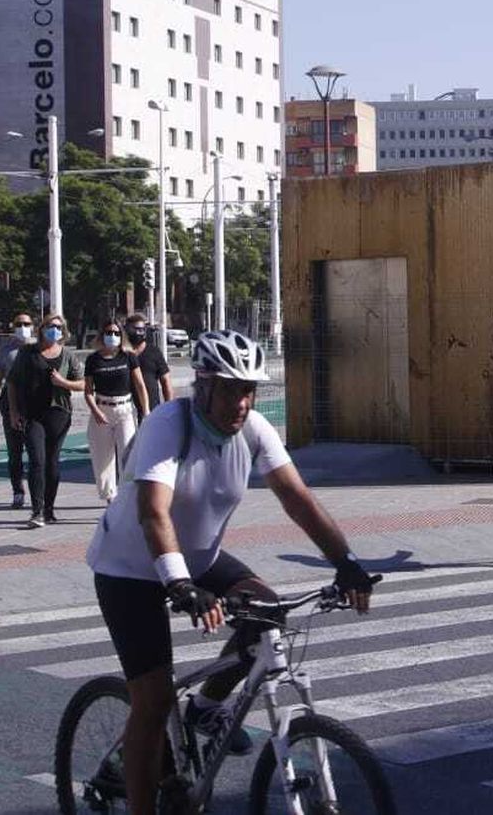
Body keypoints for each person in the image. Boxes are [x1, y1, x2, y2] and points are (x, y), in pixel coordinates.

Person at [85, 329, 376, 815]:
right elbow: (153, 512)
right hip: (129, 568)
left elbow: (298, 500)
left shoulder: (255, 430)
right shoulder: (167, 424)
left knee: (268, 613)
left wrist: (346, 562)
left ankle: (205, 707)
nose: (242, 401)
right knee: (153, 702)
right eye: (231, 388)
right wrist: (179, 584)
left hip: (198, 558)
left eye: (249, 390)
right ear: (203, 386)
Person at [7, 312, 83, 529]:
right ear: (41, 329)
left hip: (58, 413)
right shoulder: (28, 352)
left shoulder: (67, 355)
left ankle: (49, 509)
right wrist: (13, 411)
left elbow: (83, 384)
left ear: (63, 332)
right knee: (37, 460)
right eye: (50, 326)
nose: (55, 330)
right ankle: (37, 510)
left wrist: (63, 382)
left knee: (52, 461)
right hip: (32, 414)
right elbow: (12, 382)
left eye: (59, 327)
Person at [84, 318, 150, 503]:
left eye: (116, 333)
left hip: (125, 411)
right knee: (102, 459)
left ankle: (128, 497)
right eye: (108, 333)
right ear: (101, 335)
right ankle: (110, 499)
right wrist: (96, 411)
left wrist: (145, 412)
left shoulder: (128, 356)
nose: (112, 336)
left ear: (121, 336)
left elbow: (140, 385)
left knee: (128, 457)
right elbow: (88, 390)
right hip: (102, 409)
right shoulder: (93, 359)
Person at [0, 312, 35, 508]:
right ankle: (18, 491)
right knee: (15, 451)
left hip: (34, 401)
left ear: (33, 325)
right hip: (10, 401)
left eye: (26, 323)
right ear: (13, 326)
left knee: (37, 450)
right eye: (19, 323)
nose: (23, 326)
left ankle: (39, 493)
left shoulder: (39, 347)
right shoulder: (6, 349)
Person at [124, 313, 172, 424]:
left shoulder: (154, 352)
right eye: (134, 330)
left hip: (151, 410)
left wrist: (169, 409)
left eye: (141, 330)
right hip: (126, 411)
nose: (137, 333)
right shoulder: (121, 354)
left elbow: (166, 381)